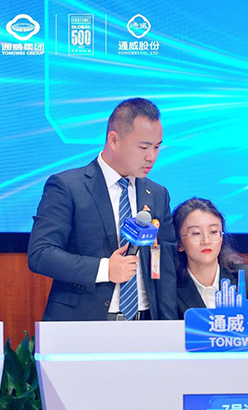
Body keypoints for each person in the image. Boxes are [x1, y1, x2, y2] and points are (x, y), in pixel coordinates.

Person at [28, 97, 177, 321]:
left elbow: (165, 267)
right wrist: (105, 269)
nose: (151, 157)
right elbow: (41, 254)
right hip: (84, 322)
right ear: (114, 140)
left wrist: (169, 326)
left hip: (144, 322)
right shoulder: (68, 186)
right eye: (143, 147)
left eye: (157, 147)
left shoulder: (157, 194)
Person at [172, 197, 248, 317]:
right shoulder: (171, 288)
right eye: (196, 233)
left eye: (213, 232)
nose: (206, 241)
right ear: (179, 244)